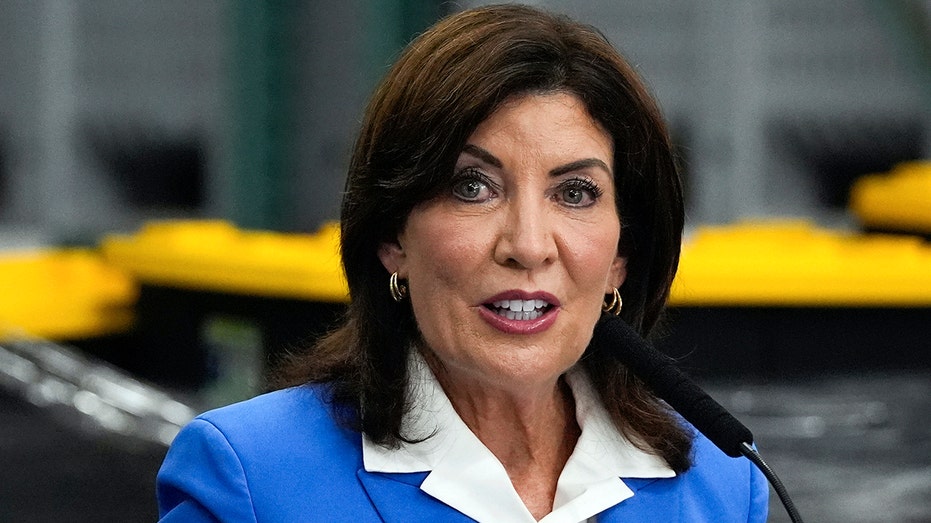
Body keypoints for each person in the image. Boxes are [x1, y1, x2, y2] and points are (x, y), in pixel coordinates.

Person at [156, 4, 769, 522]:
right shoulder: (252, 478)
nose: (528, 245)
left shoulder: (721, 486)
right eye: (473, 187)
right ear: (393, 236)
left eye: (575, 193)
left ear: (621, 256)